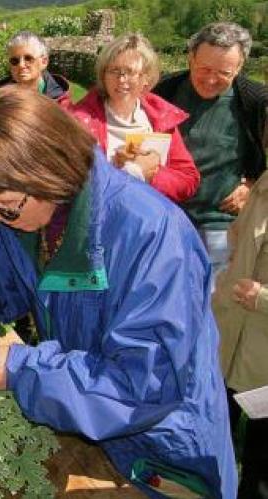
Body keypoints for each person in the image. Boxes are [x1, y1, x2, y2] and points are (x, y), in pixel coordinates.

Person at [0, 87, 236, 498]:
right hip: (91, 428)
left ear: (46, 175)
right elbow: (4, 276)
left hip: (158, 459)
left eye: (3, 205)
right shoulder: (39, 217)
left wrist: (17, 370)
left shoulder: (153, 237)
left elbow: (141, 386)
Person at [153, 22, 268, 277]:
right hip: (166, 215)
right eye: (204, 68)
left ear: (239, 68)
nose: (211, 79)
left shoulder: (255, 101)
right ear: (191, 57)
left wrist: (253, 185)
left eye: (223, 73)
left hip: (219, 221)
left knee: (213, 300)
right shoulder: (164, 90)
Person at [72, 33, 199, 203]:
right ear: (103, 76)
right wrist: (129, 170)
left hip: (148, 222)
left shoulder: (160, 118)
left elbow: (189, 179)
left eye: (131, 72)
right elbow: (69, 181)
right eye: (114, 71)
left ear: (146, 79)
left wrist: (153, 173)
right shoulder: (79, 120)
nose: (122, 79)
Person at [213, 169, 268, 498]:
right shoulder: (264, 181)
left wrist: (262, 298)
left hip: (262, 357)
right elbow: (239, 238)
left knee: (262, 468)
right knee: (213, 445)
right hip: (231, 338)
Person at [0, 31, 71, 107]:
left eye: (28, 58)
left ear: (44, 62)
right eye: (14, 61)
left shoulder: (60, 102)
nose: (21, 65)